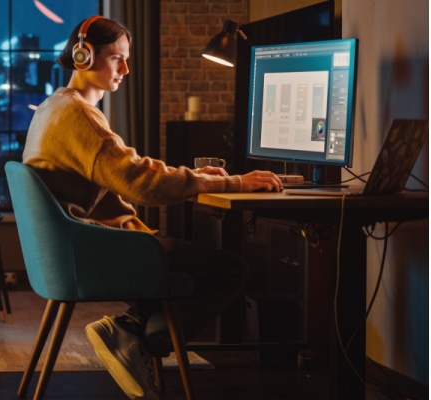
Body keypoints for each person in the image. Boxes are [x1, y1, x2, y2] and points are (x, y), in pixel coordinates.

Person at [23, 16, 282, 399]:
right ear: (83, 55)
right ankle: (137, 338)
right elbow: (144, 184)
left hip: (71, 254)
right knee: (232, 269)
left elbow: (128, 171)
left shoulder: (54, 107)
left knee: (186, 269)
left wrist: (204, 178)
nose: (126, 69)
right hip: (98, 254)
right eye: (116, 58)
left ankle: (131, 328)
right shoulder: (78, 116)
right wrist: (234, 182)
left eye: (127, 59)